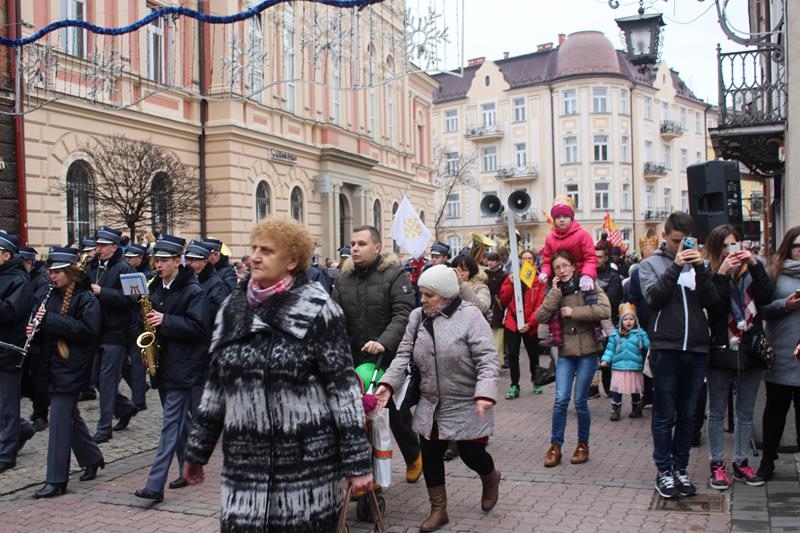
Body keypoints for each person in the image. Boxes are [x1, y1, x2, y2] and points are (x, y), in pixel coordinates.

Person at [183, 218, 372, 531]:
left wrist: (357, 463)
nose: (255, 257)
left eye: (267, 251)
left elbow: (343, 392)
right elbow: (216, 386)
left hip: (306, 474)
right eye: (254, 248)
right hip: (245, 471)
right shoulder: (232, 308)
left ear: (292, 260)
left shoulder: (318, 310)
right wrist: (197, 450)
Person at [375, 265, 500, 532]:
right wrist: (388, 384)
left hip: (467, 400)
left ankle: (490, 476)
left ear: (445, 294)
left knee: (471, 454)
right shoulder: (417, 317)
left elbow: (488, 360)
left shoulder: (470, 316)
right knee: (431, 454)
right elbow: (403, 354)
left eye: (428, 295)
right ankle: (438, 510)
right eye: (421, 293)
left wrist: (485, 393)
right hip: (430, 401)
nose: (422, 300)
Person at [638, 212, 719, 499]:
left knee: (688, 415)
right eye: (675, 241)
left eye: (685, 241)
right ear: (665, 236)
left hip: (696, 348)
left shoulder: (701, 265)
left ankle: (680, 469)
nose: (680, 246)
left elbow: (712, 301)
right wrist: (675, 266)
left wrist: (700, 269)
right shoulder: (649, 265)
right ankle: (664, 471)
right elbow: (654, 298)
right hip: (666, 348)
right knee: (664, 414)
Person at [332, 225, 421, 483]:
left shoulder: (394, 275)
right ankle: (368, 476)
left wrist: (383, 342)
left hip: (387, 357)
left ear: (377, 247)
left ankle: (414, 455)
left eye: (361, 244)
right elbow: (334, 316)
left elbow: (403, 314)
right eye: (353, 243)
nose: (355, 249)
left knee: (395, 413)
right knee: (358, 417)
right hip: (354, 358)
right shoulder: (343, 278)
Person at [134, 234, 208, 503]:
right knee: (180, 421)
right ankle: (191, 466)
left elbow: (199, 328)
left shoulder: (193, 291)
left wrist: (166, 320)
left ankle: (155, 485)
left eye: (165, 261)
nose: (159, 265)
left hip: (183, 366)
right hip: (163, 363)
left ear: (178, 261)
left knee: (170, 425)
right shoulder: (153, 287)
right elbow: (145, 320)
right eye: (157, 260)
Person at [702, 225, 774, 490]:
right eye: (724, 246)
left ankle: (741, 462)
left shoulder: (752, 270)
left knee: (745, 411)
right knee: (717, 411)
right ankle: (717, 465)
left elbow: (766, 296)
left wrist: (753, 263)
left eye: (733, 244)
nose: (729, 251)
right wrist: (722, 274)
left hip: (750, 349)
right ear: (715, 248)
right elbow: (715, 306)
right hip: (721, 348)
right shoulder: (709, 272)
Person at [30, 247, 104, 498]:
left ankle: (56, 479)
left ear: (70, 272)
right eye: (50, 272)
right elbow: (46, 324)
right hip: (52, 364)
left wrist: (48, 321)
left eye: (57, 272)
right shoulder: (51, 294)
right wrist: (35, 328)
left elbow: (88, 330)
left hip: (72, 366)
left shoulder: (86, 298)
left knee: (59, 422)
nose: (52, 276)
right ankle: (92, 458)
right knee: (68, 417)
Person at [535, 250, 611, 468]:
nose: (562, 270)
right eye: (557, 267)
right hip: (565, 352)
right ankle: (555, 446)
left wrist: (574, 312)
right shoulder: (554, 291)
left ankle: (582, 444)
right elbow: (540, 316)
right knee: (560, 400)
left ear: (574, 266)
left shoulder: (589, 285)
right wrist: (555, 294)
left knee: (579, 401)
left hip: (588, 351)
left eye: (565, 265)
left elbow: (605, 310)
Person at [170, 239, 228, 490]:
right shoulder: (184, 282)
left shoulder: (216, 285)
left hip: (204, 352)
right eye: (189, 259)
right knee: (183, 411)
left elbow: (215, 319)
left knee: (197, 408)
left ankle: (194, 457)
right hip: (184, 353)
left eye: (194, 260)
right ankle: (189, 458)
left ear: (206, 261)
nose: (190, 263)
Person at [86, 226, 139, 443]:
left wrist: (102, 292)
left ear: (114, 247)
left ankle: (104, 427)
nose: (98, 249)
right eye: (97, 245)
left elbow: (135, 297)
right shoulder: (91, 266)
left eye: (103, 246)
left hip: (116, 333)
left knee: (107, 381)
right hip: (95, 331)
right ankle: (125, 407)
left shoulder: (126, 268)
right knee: (94, 379)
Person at [758, 226, 800, 480]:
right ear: (788, 247)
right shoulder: (774, 271)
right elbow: (761, 309)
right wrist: (786, 304)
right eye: (797, 246)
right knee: (775, 412)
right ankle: (767, 462)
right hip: (781, 352)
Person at [0, 232, 35, 473]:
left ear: (6, 255)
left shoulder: (19, 279)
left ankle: (6, 453)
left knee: (7, 404)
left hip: (9, 349)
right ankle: (22, 429)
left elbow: (11, 312)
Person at [499, 250, 546, 399]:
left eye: (530, 258)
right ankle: (514, 385)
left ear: (534, 261)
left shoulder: (539, 281)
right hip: (512, 322)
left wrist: (530, 323)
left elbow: (540, 305)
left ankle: (536, 380)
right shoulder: (513, 277)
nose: (527, 261)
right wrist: (511, 284)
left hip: (530, 324)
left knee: (533, 353)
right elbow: (504, 299)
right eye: (524, 258)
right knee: (513, 354)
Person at [19, 246, 52, 432]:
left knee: (40, 378)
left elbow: (38, 307)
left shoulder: (42, 281)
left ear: (29, 263)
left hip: (38, 337)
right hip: (21, 337)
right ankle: (40, 400)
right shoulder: (21, 278)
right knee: (23, 379)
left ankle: (41, 414)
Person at [600, 303, 650, 420]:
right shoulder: (615, 334)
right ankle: (615, 409)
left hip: (634, 366)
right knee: (617, 389)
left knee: (635, 389)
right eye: (626, 319)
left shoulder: (640, 333)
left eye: (631, 319)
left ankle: (636, 408)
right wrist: (606, 359)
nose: (628, 322)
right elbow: (610, 349)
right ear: (621, 321)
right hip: (619, 366)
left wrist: (648, 340)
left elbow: (648, 345)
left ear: (635, 320)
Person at [594, 244, 623, 399]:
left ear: (606, 258)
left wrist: (595, 297)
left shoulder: (613, 276)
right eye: (594, 256)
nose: (596, 260)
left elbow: (612, 299)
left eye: (599, 257)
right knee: (591, 357)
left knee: (607, 356)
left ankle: (609, 385)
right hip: (591, 322)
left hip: (607, 322)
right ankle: (592, 387)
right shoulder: (587, 275)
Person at [483, 252, 508, 368]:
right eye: (489, 260)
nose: (490, 263)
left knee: (498, 335)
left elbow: (503, 291)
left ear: (498, 262)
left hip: (499, 307)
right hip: (488, 304)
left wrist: (498, 297)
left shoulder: (503, 275)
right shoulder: (484, 274)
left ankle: (498, 360)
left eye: (493, 260)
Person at [450, 254, 491, 319]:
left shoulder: (481, 287)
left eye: (464, 270)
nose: (461, 274)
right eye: (457, 270)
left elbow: (482, 308)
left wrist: (462, 285)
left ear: (472, 271)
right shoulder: (449, 286)